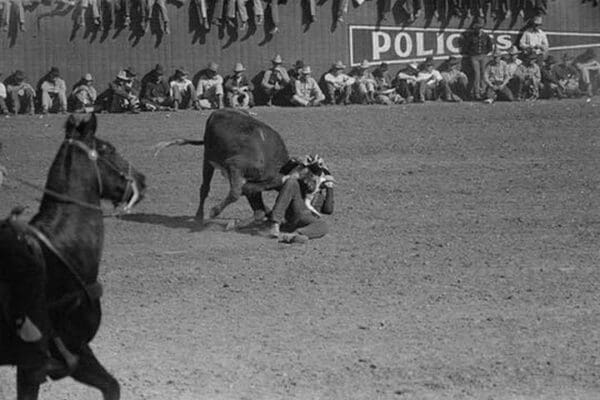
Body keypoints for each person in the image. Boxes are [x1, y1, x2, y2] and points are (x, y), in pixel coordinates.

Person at [265, 157, 334, 244]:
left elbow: (328, 210)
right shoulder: (304, 184)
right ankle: (275, 223)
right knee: (291, 181)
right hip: (298, 210)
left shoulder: (320, 195)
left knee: (323, 226)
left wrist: (330, 189)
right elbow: (282, 176)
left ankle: (296, 235)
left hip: (307, 219)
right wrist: (293, 162)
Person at [461, 18, 493, 100]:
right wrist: (472, 53)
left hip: (483, 56)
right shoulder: (471, 36)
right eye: (477, 28)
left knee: (484, 74)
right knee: (476, 74)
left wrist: (485, 53)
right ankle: (477, 93)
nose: (479, 29)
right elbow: (466, 47)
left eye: (480, 28)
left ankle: (484, 92)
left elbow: (490, 47)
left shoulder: (486, 36)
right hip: (474, 57)